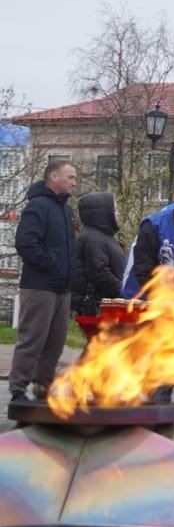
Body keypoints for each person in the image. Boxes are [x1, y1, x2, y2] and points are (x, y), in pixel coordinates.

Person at [9, 160, 78, 402]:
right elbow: (26, 243)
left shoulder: (66, 210)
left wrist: (69, 272)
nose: (74, 182)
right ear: (53, 177)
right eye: (70, 177)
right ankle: (18, 389)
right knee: (33, 339)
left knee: (56, 341)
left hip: (62, 287)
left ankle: (43, 387)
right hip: (39, 286)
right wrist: (52, 266)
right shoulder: (38, 206)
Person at [71, 191, 126, 317]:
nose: (119, 213)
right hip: (96, 306)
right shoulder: (93, 239)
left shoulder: (104, 236)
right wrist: (124, 290)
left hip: (103, 303)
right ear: (103, 212)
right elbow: (99, 272)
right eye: (115, 209)